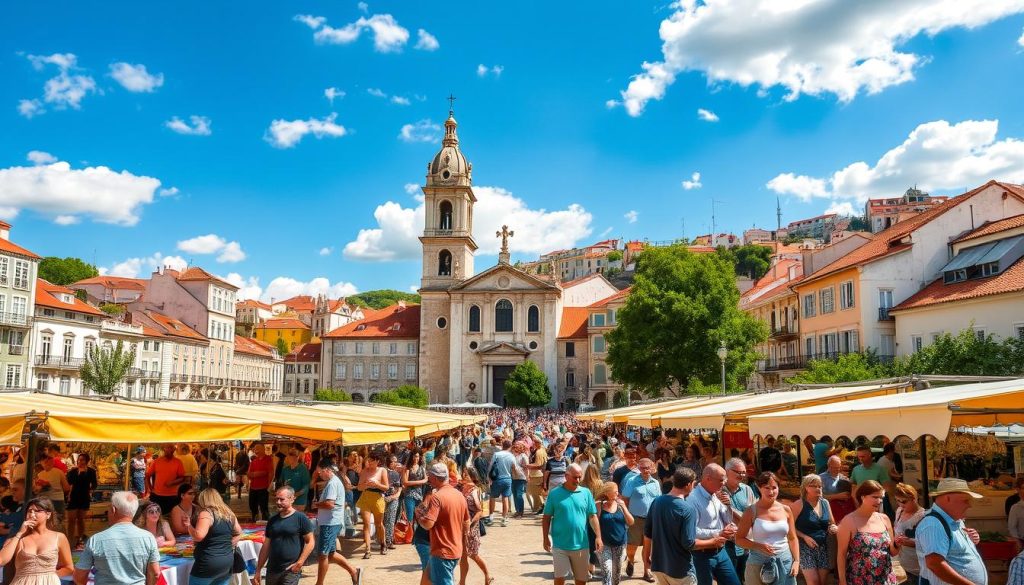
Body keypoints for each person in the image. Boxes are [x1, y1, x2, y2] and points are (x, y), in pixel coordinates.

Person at [74, 492, 159, 585]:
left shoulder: (96, 540)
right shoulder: (148, 537)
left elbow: (80, 576)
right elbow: (155, 573)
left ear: (113, 510)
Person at [915, 478, 987, 585]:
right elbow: (935, 564)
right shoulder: (933, 524)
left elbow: (955, 549)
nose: (969, 505)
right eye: (965, 500)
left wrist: (971, 540)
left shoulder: (954, 520)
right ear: (948, 498)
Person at [542, 464, 602, 585]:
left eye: (580, 477)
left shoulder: (586, 493)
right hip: (560, 545)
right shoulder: (554, 494)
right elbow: (546, 517)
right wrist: (545, 538)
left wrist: (598, 536)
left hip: (581, 544)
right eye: (575, 477)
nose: (578, 480)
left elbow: (592, 515)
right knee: (560, 578)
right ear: (566, 476)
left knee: (581, 580)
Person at [736, 472, 799, 585]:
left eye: (774, 488)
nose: (771, 492)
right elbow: (739, 539)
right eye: (767, 488)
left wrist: (797, 561)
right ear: (759, 488)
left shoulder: (786, 509)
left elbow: (793, 538)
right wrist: (758, 545)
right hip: (758, 561)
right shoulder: (751, 511)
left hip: (785, 560)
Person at [642, 467, 702, 585]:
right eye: (694, 484)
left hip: (659, 567)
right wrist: (714, 541)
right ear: (688, 484)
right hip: (681, 570)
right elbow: (689, 543)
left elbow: (647, 533)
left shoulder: (657, 501)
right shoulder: (688, 509)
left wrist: (646, 557)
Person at [836, 480, 898, 585]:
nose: (879, 501)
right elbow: (841, 554)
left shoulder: (884, 519)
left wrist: (898, 544)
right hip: (859, 578)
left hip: (885, 577)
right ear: (863, 497)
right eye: (875, 497)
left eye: (881, 498)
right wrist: (842, 581)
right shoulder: (848, 521)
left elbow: (893, 552)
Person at [416, 463, 469, 585]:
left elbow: (428, 524)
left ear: (434, 478)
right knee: (426, 581)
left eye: (429, 476)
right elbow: (466, 522)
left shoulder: (437, 497)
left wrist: (419, 516)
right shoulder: (459, 495)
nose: (428, 479)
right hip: (454, 548)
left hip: (442, 551)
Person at [0, 498, 74, 585]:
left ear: (48, 514)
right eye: (29, 511)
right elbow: (1, 560)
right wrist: (19, 534)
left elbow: (69, 567)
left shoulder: (59, 537)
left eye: (37, 511)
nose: (32, 514)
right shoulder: (18, 539)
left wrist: (49, 577)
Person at [689, 465, 741, 585]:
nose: (724, 483)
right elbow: (691, 531)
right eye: (721, 480)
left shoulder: (715, 495)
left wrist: (728, 506)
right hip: (701, 555)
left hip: (721, 551)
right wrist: (718, 533)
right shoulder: (692, 499)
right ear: (708, 478)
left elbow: (726, 521)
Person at [312, 460, 361, 585]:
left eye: (320, 472)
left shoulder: (333, 483)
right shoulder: (332, 482)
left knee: (323, 554)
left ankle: (319, 583)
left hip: (330, 523)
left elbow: (329, 503)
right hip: (330, 522)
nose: (319, 475)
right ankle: (353, 571)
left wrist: (316, 504)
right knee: (330, 554)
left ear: (327, 470)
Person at [254, 486, 315, 585]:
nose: (278, 502)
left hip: (290, 570)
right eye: (276, 499)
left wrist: (300, 562)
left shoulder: (301, 518)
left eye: (282, 499)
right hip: (272, 570)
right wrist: (258, 570)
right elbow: (266, 546)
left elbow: (310, 541)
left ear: (292, 499)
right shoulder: (272, 520)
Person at [789, 474, 835, 585]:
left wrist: (833, 527)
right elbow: (789, 527)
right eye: (813, 486)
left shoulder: (825, 503)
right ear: (805, 488)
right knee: (813, 582)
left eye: (819, 486)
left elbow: (831, 522)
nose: (817, 488)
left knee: (822, 582)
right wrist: (805, 537)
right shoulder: (799, 504)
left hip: (823, 546)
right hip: (805, 547)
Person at [621, 458, 661, 582]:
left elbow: (659, 501)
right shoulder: (631, 481)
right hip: (635, 519)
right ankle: (631, 560)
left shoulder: (655, 483)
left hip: (652, 520)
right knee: (632, 546)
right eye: (643, 468)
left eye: (647, 468)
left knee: (648, 547)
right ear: (639, 468)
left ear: (652, 468)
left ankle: (646, 571)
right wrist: (627, 517)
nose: (645, 470)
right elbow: (625, 499)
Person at [723, 458, 756, 578]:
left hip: (745, 540)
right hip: (727, 542)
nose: (742, 475)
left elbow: (752, 516)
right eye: (738, 472)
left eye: (743, 472)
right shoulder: (718, 491)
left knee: (744, 576)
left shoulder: (747, 489)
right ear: (727, 471)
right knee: (729, 578)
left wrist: (729, 507)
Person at [457, 467, 491, 585]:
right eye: (463, 474)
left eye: (466, 474)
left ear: (472, 476)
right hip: (462, 526)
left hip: (471, 527)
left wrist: (470, 524)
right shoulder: (462, 489)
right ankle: (462, 582)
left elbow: (479, 511)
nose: (464, 476)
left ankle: (487, 575)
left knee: (473, 554)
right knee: (463, 555)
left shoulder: (475, 490)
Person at [597, 481, 634, 585]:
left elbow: (631, 522)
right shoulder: (599, 505)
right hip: (604, 545)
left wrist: (624, 507)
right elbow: (594, 524)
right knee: (607, 571)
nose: (618, 494)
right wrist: (597, 538)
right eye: (615, 492)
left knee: (616, 574)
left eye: (617, 491)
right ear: (607, 493)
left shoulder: (620, 505)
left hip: (620, 544)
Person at [356, 452, 389, 558]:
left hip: (377, 498)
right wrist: (365, 484)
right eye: (368, 460)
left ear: (377, 461)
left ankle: (383, 544)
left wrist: (376, 484)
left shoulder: (382, 470)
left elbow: (386, 487)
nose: (369, 462)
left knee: (378, 524)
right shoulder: (364, 471)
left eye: (371, 460)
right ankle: (368, 550)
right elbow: (359, 487)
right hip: (365, 497)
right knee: (366, 524)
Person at [892, 483, 926, 585]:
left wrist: (908, 542)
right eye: (897, 500)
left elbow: (927, 543)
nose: (900, 504)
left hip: (915, 567)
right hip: (900, 565)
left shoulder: (923, 516)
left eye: (903, 501)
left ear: (914, 499)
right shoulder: (899, 511)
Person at [65, 453, 97, 548]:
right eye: (79, 460)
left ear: (87, 461)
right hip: (73, 497)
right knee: (71, 520)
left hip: (84, 497)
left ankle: (80, 538)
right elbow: (68, 483)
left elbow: (95, 484)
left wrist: (90, 490)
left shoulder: (91, 471)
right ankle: (69, 538)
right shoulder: (73, 471)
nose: (80, 462)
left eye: (82, 460)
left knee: (81, 519)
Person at [145, 444, 185, 514]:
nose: (169, 450)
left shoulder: (178, 462)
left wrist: (172, 482)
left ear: (174, 450)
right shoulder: (157, 461)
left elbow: (182, 478)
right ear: (164, 449)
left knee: (171, 516)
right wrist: (150, 489)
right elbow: (148, 475)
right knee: (157, 516)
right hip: (157, 495)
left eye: (171, 448)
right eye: (168, 448)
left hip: (172, 495)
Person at [33, 456, 69, 527]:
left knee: (47, 522)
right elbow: (66, 488)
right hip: (55, 500)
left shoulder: (40, 475)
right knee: (57, 522)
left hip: (47, 501)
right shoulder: (58, 472)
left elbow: (66, 488)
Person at [486, 440, 515, 527]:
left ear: (502, 445)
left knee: (492, 498)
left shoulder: (496, 454)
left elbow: (490, 466)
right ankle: (504, 519)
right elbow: (514, 467)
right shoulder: (511, 456)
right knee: (505, 498)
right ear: (510, 446)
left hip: (497, 479)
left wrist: (488, 477)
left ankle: (491, 517)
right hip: (507, 479)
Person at [820, 455, 855, 523]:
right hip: (827, 511)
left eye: (838, 467)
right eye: (833, 467)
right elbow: (818, 497)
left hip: (842, 511)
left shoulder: (843, 478)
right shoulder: (821, 478)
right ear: (828, 465)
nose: (836, 470)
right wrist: (837, 496)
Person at [246, 442, 273, 522]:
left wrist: (269, 485)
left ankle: (266, 521)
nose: (255, 450)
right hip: (253, 487)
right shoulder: (254, 461)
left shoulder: (268, 459)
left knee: (263, 507)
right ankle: (254, 519)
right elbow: (248, 474)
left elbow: (270, 472)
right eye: (255, 449)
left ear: (262, 449)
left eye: (257, 449)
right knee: (252, 505)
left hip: (263, 487)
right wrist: (259, 473)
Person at [382, 454, 403, 550]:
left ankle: (389, 541)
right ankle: (382, 539)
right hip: (382, 498)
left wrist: (394, 496)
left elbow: (399, 488)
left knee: (390, 520)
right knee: (382, 520)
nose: (395, 463)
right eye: (393, 461)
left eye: (396, 461)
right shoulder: (383, 472)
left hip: (393, 498)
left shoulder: (396, 474)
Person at [402, 449, 428, 527]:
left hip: (419, 495)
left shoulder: (422, 467)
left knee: (419, 518)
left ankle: (415, 537)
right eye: (414, 456)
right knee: (410, 518)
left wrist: (422, 481)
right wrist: (421, 481)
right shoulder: (407, 468)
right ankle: (410, 537)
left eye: (417, 456)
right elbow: (405, 482)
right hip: (409, 495)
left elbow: (426, 480)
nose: (416, 458)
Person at [527, 440, 549, 515]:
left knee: (536, 492)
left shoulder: (539, 452)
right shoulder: (541, 450)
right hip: (537, 474)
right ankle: (539, 507)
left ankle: (542, 506)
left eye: (536, 442)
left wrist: (527, 465)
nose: (534, 444)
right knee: (536, 492)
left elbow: (538, 464)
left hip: (537, 474)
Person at [511, 441, 530, 519]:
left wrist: (527, 477)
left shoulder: (523, 456)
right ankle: (517, 510)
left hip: (521, 477)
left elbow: (526, 467)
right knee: (515, 495)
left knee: (519, 495)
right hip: (513, 477)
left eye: (518, 445)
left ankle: (520, 512)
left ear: (521, 447)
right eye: (515, 445)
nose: (516, 447)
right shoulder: (513, 455)